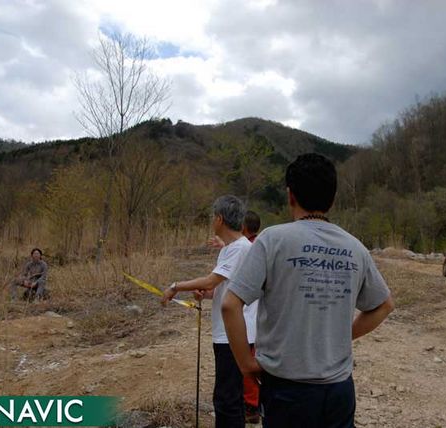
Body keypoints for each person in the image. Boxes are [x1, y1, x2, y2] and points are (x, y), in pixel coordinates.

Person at [222, 153, 394, 428]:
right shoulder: (355, 247)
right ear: (333, 199)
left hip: (287, 391)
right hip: (339, 390)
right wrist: (342, 334)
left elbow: (230, 304)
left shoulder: (272, 240)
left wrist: (245, 363)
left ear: (290, 195)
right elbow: (384, 305)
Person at [161, 195, 258, 428]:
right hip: (228, 333)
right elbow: (224, 286)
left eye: (213, 217)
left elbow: (211, 279)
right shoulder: (233, 249)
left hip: (234, 334)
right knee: (226, 395)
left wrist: (176, 286)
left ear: (219, 219)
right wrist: (206, 293)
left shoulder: (239, 249)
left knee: (227, 399)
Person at [208, 209, 262, 424]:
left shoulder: (247, 248)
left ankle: (252, 406)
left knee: (229, 395)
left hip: (237, 330)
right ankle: (250, 407)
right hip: (240, 329)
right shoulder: (247, 247)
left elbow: (213, 282)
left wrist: (176, 287)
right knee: (233, 390)